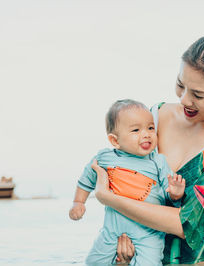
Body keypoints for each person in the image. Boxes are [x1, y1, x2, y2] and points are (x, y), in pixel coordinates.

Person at [92, 35, 204, 264]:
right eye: (180, 84)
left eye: (198, 95)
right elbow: (126, 177)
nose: (185, 99)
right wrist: (121, 237)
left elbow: (186, 223)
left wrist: (106, 197)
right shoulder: (155, 117)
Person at [69, 99, 185, 265]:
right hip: (112, 230)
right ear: (115, 141)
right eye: (136, 130)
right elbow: (85, 180)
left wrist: (175, 192)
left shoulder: (158, 161)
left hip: (149, 232)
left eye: (150, 128)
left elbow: (170, 194)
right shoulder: (105, 158)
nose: (146, 134)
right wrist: (78, 202)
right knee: (94, 262)